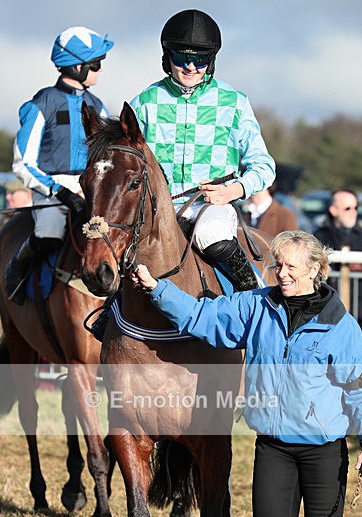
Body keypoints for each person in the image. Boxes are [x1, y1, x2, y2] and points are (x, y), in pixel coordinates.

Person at [131, 231, 362, 517]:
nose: (281, 274)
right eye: (277, 266)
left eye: (291, 267)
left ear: (314, 270)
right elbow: (202, 317)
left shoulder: (339, 323)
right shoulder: (258, 306)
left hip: (323, 448)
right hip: (272, 444)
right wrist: (159, 291)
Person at [91, 9, 275, 341]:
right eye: (181, 57)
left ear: (211, 61)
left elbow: (264, 165)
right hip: (158, 209)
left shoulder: (234, 103)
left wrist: (232, 191)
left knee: (210, 236)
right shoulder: (145, 103)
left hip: (210, 206)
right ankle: (112, 310)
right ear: (168, 57)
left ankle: (259, 306)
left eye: (200, 60)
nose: (190, 67)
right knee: (128, 245)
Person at [8, 26, 114, 303]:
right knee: (50, 236)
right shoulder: (41, 104)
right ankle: (17, 271)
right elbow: (23, 164)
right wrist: (60, 191)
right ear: (77, 66)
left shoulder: (97, 106)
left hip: (89, 188)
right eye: (96, 64)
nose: (100, 70)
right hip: (51, 191)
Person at [313, 189, 362, 341]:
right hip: (326, 305)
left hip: (360, 306)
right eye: (347, 208)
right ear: (333, 210)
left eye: (356, 207)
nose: (353, 212)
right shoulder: (319, 235)